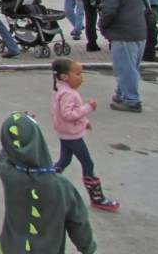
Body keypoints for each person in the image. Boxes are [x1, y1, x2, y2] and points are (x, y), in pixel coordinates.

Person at [0, 111, 97, 254]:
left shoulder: (9, 175)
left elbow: (4, 155)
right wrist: (89, 249)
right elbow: (78, 223)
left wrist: (14, 124)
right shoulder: (62, 187)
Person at [50, 59, 120, 211]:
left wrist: (84, 121)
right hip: (72, 135)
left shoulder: (60, 89)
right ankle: (97, 198)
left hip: (65, 132)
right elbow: (68, 114)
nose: (82, 77)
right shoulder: (67, 93)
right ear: (64, 77)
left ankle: (46, 182)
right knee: (88, 163)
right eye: (78, 74)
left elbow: (70, 113)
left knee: (64, 160)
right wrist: (88, 108)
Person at [99, 0, 147, 113]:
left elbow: (109, 9)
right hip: (137, 30)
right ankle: (122, 93)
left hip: (124, 32)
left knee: (124, 68)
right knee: (130, 66)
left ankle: (131, 99)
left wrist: (103, 25)